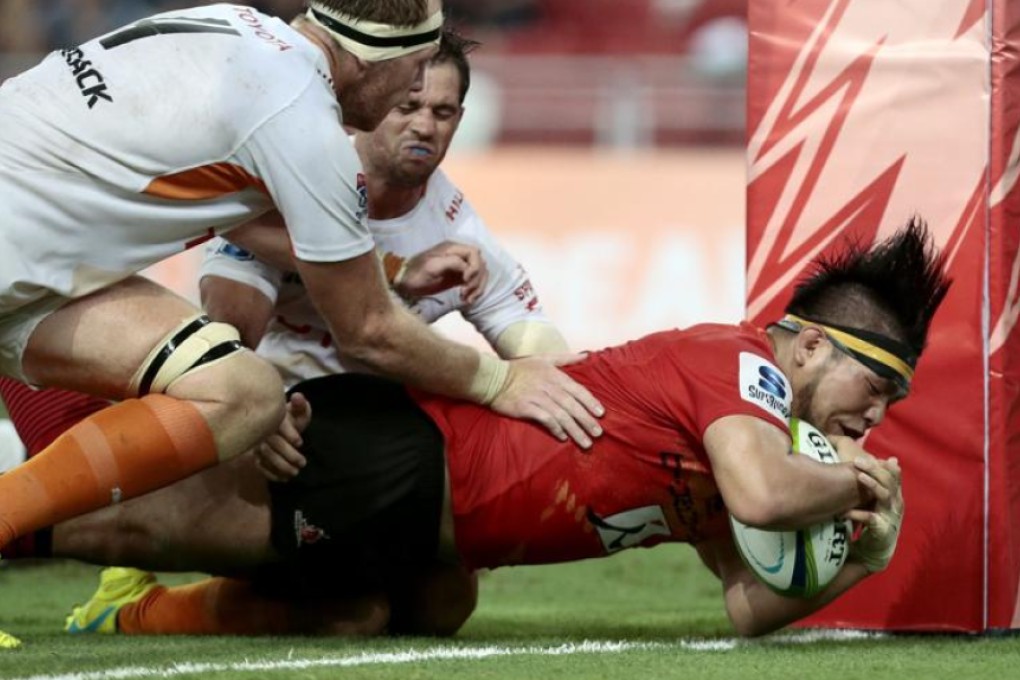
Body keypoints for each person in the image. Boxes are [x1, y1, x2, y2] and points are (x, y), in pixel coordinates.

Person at [0, 218, 949, 639]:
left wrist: (858, 565)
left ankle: (136, 616)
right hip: (401, 461)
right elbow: (767, 498)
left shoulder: (753, 436)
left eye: (891, 411)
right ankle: (33, 332)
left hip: (435, 532)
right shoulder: (740, 366)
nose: (875, 417)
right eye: (875, 385)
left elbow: (746, 606)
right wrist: (864, 486)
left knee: (391, 615)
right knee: (95, 521)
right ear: (805, 347)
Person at [0, 0, 604, 607]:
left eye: (439, 103)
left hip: (39, 264)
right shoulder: (304, 125)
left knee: (241, 391)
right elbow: (369, 328)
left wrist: (391, 269)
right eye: (415, 72)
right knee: (221, 427)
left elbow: (241, 207)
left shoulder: (235, 22)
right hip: (23, 250)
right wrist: (499, 382)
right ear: (377, 60)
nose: (417, 94)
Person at [198, 29, 569, 477]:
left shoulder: (463, 240)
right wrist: (258, 411)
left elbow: (547, 361)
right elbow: (228, 330)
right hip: (269, 417)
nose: (425, 126)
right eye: (408, 107)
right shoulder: (295, 182)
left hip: (372, 438)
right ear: (374, 105)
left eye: (443, 112)